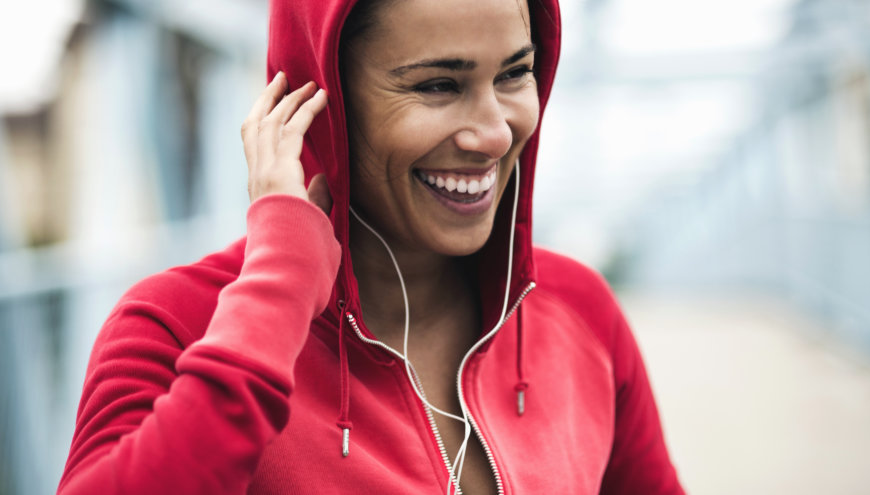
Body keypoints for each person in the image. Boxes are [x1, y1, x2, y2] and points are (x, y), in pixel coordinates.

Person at [57, 0, 685, 493]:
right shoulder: (178, 324)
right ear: (319, 98)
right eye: (438, 85)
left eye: (515, 73)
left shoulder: (581, 311)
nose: (496, 132)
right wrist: (277, 293)